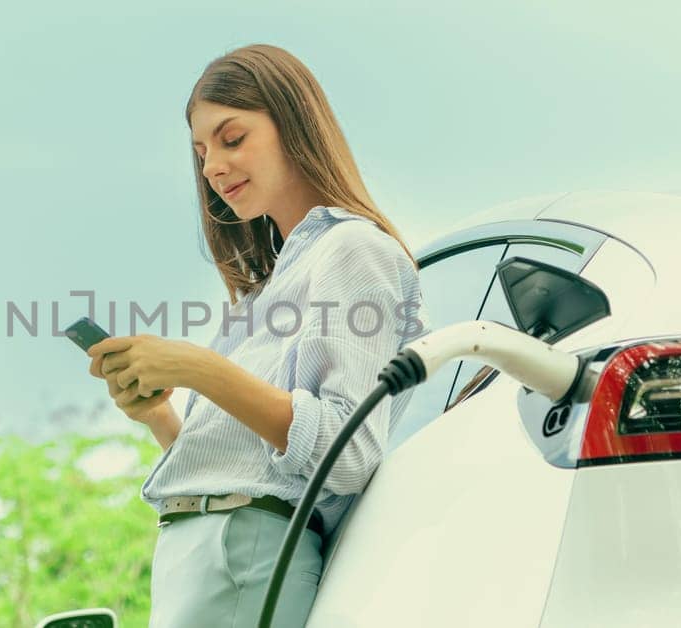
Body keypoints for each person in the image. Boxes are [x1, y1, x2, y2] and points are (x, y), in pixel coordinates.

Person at [85, 43, 425, 627]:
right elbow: (242, 466)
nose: (212, 166)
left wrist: (198, 369)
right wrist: (161, 417)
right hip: (197, 551)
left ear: (294, 124)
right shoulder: (261, 296)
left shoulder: (352, 249)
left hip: (246, 549)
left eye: (232, 138)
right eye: (201, 152)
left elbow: (344, 456)